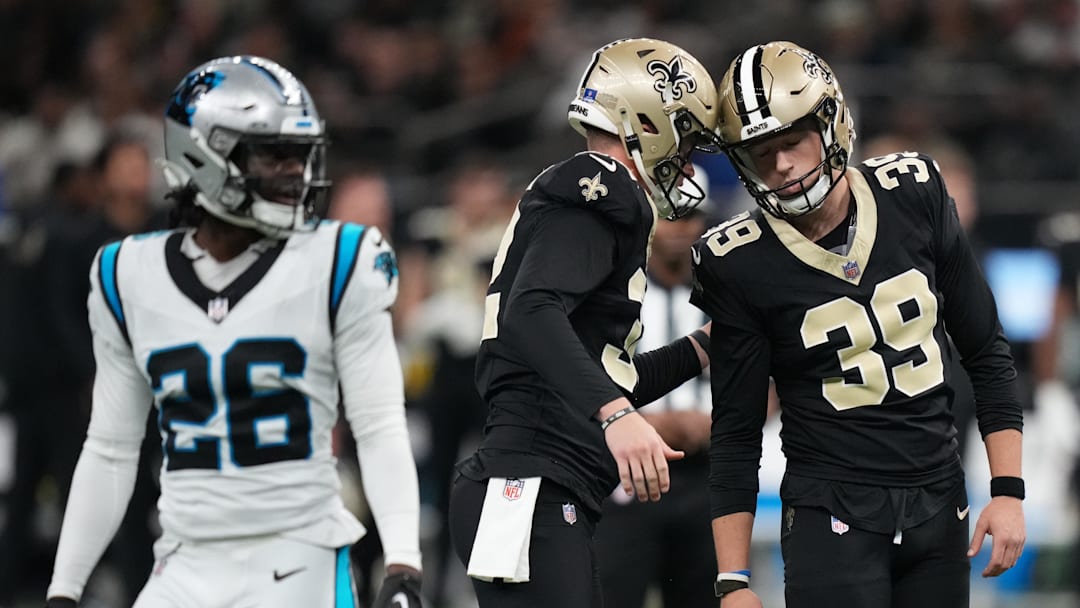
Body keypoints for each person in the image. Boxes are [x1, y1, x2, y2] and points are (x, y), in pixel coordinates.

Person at [44, 56, 423, 608]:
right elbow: (109, 449)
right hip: (183, 561)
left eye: (300, 156)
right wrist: (64, 591)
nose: (296, 174)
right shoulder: (127, 274)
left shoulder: (342, 260)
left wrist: (403, 563)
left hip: (302, 555)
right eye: (273, 155)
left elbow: (380, 422)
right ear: (202, 156)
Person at [692, 41, 1025, 608]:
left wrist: (1008, 490)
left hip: (938, 497)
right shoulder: (738, 259)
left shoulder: (914, 192)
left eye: (791, 142)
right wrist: (734, 580)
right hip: (831, 510)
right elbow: (738, 430)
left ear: (831, 121)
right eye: (760, 153)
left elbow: (985, 349)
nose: (780, 166)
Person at [447, 37, 718, 608]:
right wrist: (617, 415)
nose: (687, 157)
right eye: (685, 135)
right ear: (647, 118)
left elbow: (599, 373)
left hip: (537, 481)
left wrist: (704, 345)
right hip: (527, 482)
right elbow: (532, 310)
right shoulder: (603, 186)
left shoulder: (599, 193)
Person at [595, 183, 715, 608]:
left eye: (691, 217)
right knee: (616, 591)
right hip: (630, 471)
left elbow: (766, 381)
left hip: (707, 472)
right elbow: (591, 376)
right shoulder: (616, 294)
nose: (681, 228)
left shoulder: (723, 293)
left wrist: (715, 425)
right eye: (670, 216)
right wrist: (646, 423)